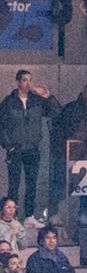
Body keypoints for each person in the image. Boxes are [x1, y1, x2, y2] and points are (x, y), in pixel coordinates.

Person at [0, 70, 59, 221]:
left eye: (30, 80)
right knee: (14, 185)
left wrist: (48, 97)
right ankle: (11, 217)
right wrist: (8, 144)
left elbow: (56, 112)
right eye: (25, 80)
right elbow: (1, 125)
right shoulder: (9, 102)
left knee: (31, 183)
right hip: (15, 149)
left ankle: (29, 216)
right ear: (18, 82)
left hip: (32, 149)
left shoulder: (37, 100)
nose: (28, 83)